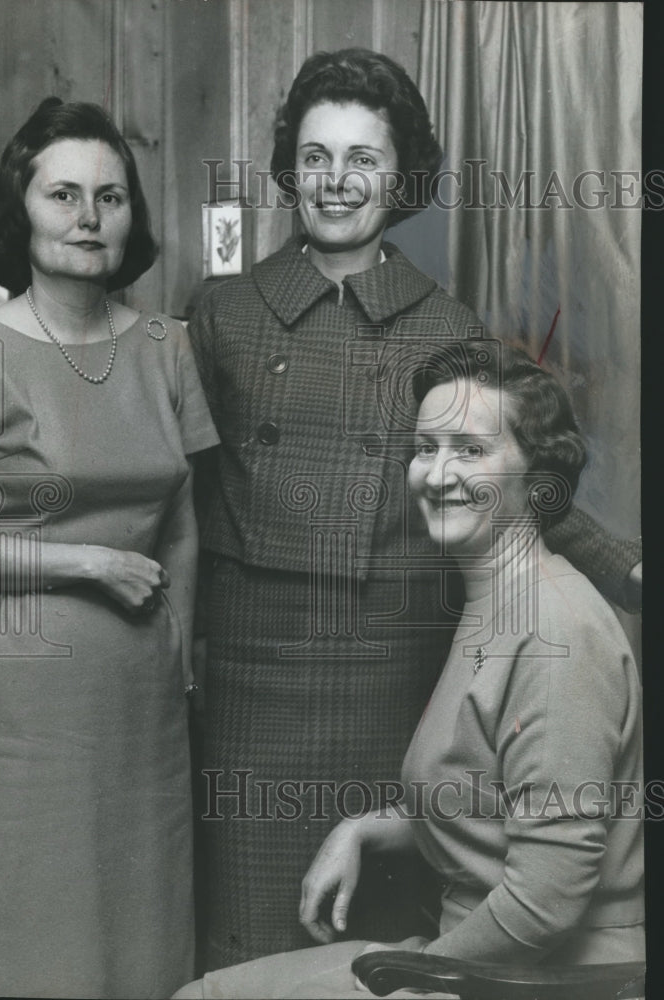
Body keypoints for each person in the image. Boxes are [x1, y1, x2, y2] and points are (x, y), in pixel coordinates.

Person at [188, 47, 642, 971]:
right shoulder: (223, 310)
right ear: (290, 169)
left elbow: (517, 483)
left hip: (392, 668)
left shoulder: (447, 325)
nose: (337, 181)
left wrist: (628, 568)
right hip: (252, 675)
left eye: (363, 158)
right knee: (248, 942)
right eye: (316, 158)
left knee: (383, 948)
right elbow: (174, 486)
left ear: (401, 178)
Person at [174, 340, 644, 999]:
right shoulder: (498, 599)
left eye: (471, 450)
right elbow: (490, 803)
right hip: (478, 955)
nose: (437, 473)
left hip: (541, 976)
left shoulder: (554, 633)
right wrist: (364, 825)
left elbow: (548, 897)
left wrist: (412, 978)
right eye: (426, 448)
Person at [0, 98, 218, 998]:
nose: (90, 218)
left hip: (142, 695)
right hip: (20, 695)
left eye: (112, 196)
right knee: (28, 924)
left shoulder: (166, 344)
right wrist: (84, 565)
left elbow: (182, 520)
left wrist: (182, 652)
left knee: (142, 925)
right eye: (63, 195)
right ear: (22, 211)